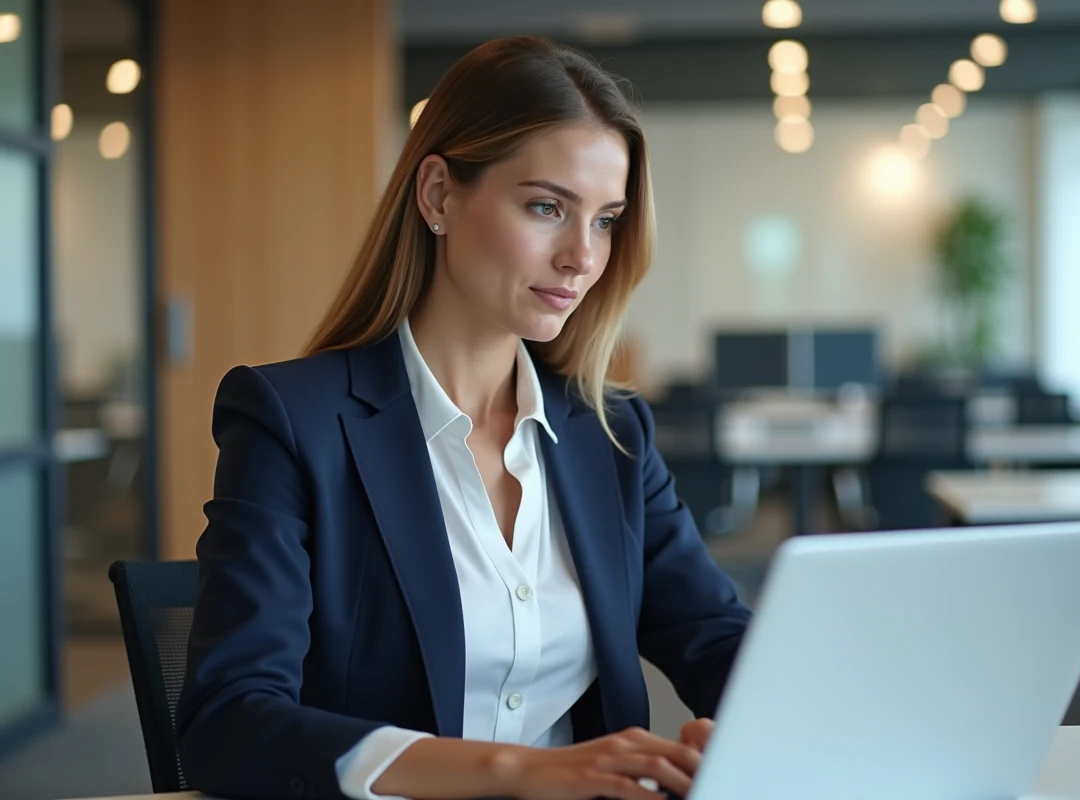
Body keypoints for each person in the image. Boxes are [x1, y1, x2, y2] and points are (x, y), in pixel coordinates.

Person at [176, 34, 752, 800]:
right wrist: (520, 771)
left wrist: (773, 712)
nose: (583, 255)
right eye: (547, 207)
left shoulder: (606, 434)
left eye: (606, 219)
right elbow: (230, 722)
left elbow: (714, 636)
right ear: (439, 195)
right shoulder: (292, 421)